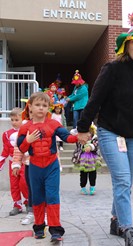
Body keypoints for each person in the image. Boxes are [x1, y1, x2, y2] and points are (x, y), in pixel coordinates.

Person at [76, 12, 133, 246]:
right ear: (125, 45)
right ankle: (128, 230)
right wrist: (83, 128)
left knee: (127, 182)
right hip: (110, 131)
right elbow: (95, 99)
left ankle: (115, 220)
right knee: (122, 180)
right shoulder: (111, 69)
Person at [17, 92, 77, 242]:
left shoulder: (54, 124)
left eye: (44, 105)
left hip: (51, 166)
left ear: (48, 108)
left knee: (52, 197)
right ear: (30, 107)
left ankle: (55, 230)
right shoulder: (25, 127)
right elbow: (21, 148)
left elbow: (67, 137)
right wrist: (29, 140)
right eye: (37, 105)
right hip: (35, 167)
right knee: (37, 198)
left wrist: (80, 137)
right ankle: (38, 227)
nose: (41, 108)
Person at [0, 107, 29, 216]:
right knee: (14, 184)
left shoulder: (27, 132)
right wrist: (1, 162)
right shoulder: (7, 134)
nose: (14, 122)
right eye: (12, 120)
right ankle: (17, 205)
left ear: (23, 119)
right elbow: (6, 150)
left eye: (16, 120)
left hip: (24, 163)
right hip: (12, 163)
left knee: (24, 183)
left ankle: (28, 201)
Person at [12, 102, 34, 225]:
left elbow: (54, 149)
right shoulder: (24, 129)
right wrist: (16, 163)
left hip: (46, 166)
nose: (33, 114)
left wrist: (57, 165)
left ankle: (46, 213)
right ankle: (31, 212)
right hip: (29, 165)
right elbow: (18, 148)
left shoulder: (48, 126)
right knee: (31, 189)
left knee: (45, 190)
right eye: (30, 112)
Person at [71, 124, 102, 195]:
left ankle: (92, 187)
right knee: (83, 174)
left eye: (89, 133)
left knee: (93, 173)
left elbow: (96, 145)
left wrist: (91, 147)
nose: (88, 135)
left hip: (93, 159)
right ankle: (83, 187)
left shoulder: (95, 138)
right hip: (83, 159)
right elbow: (72, 132)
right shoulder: (80, 138)